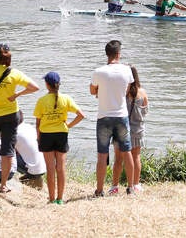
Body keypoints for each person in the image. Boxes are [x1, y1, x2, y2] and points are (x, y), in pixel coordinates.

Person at [0, 43, 39, 194]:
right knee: (7, 150)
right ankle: (4, 185)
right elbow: (35, 87)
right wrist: (17, 95)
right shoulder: (14, 73)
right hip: (10, 116)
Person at [90, 40, 135, 197]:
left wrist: (100, 91)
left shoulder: (98, 71)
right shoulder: (127, 70)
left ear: (106, 54)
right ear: (119, 54)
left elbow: (92, 90)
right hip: (121, 115)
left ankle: (100, 190)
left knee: (102, 155)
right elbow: (126, 90)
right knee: (127, 151)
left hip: (103, 116)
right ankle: (130, 188)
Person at [34, 71, 85, 204]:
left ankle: (51, 199)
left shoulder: (41, 101)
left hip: (46, 135)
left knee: (50, 168)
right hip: (62, 134)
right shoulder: (66, 98)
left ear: (47, 84)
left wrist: (38, 138)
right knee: (61, 168)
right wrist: (68, 125)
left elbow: (38, 123)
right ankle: (60, 199)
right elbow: (81, 115)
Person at [111, 66, 149, 194]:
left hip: (121, 129)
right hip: (137, 130)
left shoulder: (122, 93)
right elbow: (145, 111)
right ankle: (135, 185)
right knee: (136, 156)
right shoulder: (142, 92)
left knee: (118, 159)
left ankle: (114, 186)